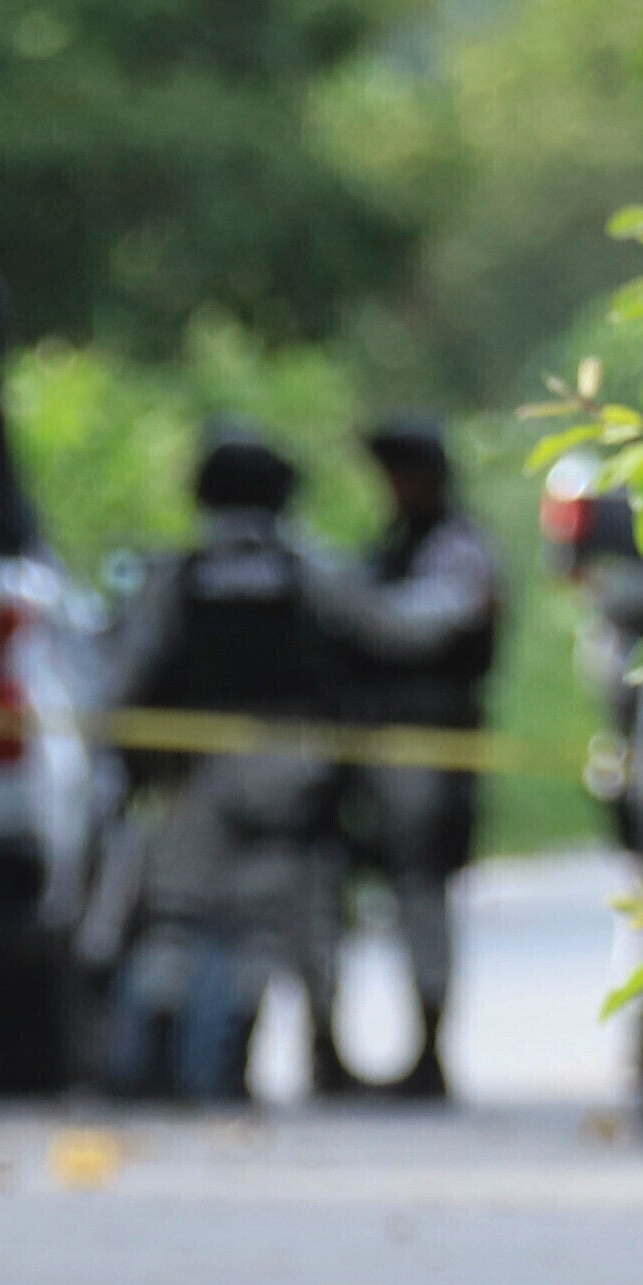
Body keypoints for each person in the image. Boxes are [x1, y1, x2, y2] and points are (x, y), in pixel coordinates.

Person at [88, 430, 339, 1102]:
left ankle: (155, 1068)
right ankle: (233, 1068)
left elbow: (122, 672)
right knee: (263, 924)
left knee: (176, 917)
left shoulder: (179, 571)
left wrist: (121, 753)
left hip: (192, 771)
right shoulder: (304, 567)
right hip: (289, 769)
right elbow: (387, 628)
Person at [312, 413, 498, 1101]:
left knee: (421, 895)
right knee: (336, 887)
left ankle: (428, 1051)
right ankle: (329, 1051)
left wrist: (341, 598)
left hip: (429, 746)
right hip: (373, 746)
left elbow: (410, 629)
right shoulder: (391, 549)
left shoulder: (460, 553)